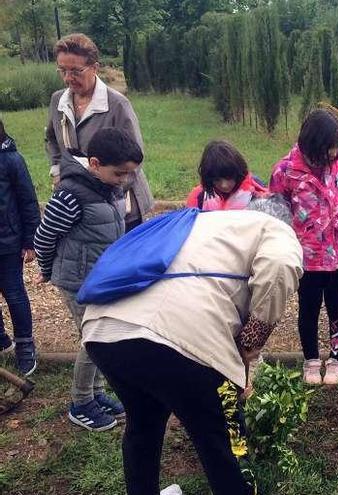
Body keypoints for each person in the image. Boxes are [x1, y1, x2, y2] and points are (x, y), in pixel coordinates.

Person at [81, 196, 303, 495]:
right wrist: (251, 344)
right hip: (174, 338)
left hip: (103, 328)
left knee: (144, 420)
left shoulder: (204, 221)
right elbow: (280, 265)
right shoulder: (274, 229)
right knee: (220, 436)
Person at [33, 128, 143, 431]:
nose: (124, 180)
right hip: (77, 280)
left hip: (98, 277)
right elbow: (43, 237)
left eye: (129, 175)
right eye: (119, 173)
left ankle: (95, 394)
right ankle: (80, 403)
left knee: (100, 335)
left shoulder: (105, 186)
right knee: (94, 340)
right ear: (94, 163)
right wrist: (46, 270)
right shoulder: (70, 194)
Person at [270, 109, 338, 385]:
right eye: (329, 149)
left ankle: (337, 359)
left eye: (337, 150)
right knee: (309, 307)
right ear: (312, 144)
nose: (333, 155)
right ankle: (311, 360)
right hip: (307, 256)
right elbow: (276, 217)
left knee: (337, 306)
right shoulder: (286, 171)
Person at [46, 32, 154, 231]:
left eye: (76, 71)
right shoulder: (57, 100)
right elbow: (51, 138)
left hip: (121, 206)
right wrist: (56, 169)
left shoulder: (117, 104)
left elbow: (135, 159)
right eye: (62, 70)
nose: (68, 78)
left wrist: (106, 191)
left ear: (94, 68)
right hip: (79, 205)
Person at [0, 119, 41, 376]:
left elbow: (28, 201)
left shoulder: (11, 160)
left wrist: (30, 241)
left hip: (7, 241)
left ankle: (25, 345)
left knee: (14, 293)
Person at [185, 140, 268, 211]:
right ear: (209, 178)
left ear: (237, 172)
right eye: (217, 180)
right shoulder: (198, 197)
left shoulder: (255, 191)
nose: (224, 185)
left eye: (229, 177)